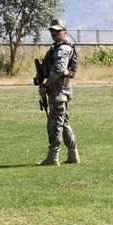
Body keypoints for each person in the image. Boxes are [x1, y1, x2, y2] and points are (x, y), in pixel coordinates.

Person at [36, 18, 79, 166]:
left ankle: (53, 157)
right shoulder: (57, 47)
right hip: (57, 90)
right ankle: (73, 155)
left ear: (64, 32)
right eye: (52, 31)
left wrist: (45, 85)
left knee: (55, 124)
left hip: (59, 91)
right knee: (63, 123)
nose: (54, 33)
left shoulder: (63, 48)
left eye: (57, 31)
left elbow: (59, 69)